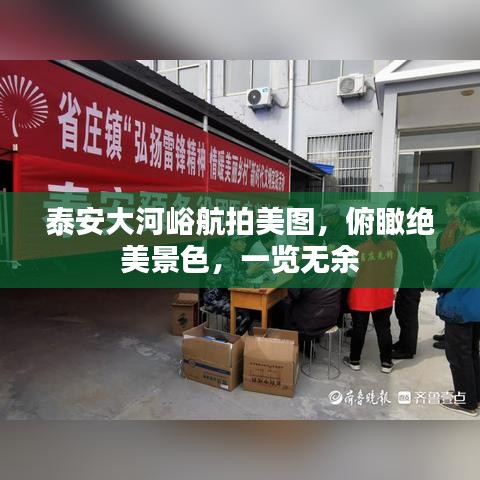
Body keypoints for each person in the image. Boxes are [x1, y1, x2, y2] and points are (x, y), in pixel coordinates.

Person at [433, 201, 480, 417]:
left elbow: (444, 279)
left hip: (461, 309)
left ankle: (466, 402)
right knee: (472, 352)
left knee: (459, 355)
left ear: (464, 221)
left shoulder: (465, 245)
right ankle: (474, 394)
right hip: (476, 309)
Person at [343, 229, 403, 374]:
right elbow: (398, 272)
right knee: (383, 329)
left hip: (361, 296)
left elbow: (350, 273)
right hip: (383, 295)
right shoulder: (394, 247)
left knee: (359, 328)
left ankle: (354, 360)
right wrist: (394, 289)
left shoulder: (360, 249)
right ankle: (386, 362)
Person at [386, 200, 434, 360]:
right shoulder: (400, 228)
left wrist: (428, 278)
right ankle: (403, 342)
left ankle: (407, 350)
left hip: (411, 278)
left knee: (408, 315)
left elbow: (425, 256)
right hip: (403, 278)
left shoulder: (412, 231)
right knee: (401, 312)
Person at [205, 235, 265, 334]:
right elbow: (230, 279)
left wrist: (258, 272)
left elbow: (244, 271)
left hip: (230, 293)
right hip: (215, 298)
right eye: (242, 241)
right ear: (233, 243)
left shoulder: (237, 255)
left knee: (254, 308)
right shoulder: (222, 259)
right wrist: (248, 272)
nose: (245, 244)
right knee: (244, 315)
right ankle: (234, 339)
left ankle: (241, 335)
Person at [431, 195, 469, 350]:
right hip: (448, 268)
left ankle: (453, 340)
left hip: (455, 273)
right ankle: (448, 334)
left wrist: (440, 254)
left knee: (455, 306)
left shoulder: (462, 226)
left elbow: (458, 250)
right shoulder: (453, 224)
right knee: (448, 304)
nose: (446, 210)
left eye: (448, 207)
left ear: (455, 207)